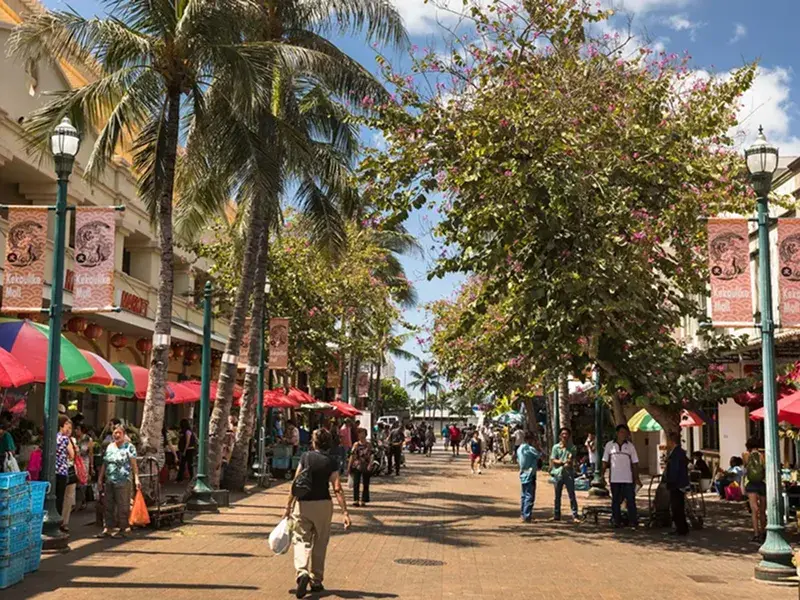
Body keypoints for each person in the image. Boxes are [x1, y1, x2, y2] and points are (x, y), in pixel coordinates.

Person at [284, 428, 350, 598]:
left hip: (303, 504)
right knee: (320, 542)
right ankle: (316, 580)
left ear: (314, 442)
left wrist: (288, 506)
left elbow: (296, 482)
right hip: (323, 504)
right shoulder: (331, 461)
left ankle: (302, 572)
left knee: (301, 539)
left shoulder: (306, 457)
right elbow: (337, 488)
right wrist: (345, 512)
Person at [97, 425, 140, 538]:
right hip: (110, 479)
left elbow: (134, 464)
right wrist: (100, 478)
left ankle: (124, 528)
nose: (117, 435)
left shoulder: (129, 447)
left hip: (124, 480)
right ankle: (108, 528)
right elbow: (105, 463)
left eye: (119, 433)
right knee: (108, 505)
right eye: (115, 433)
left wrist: (136, 478)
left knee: (123, 505)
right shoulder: (110, 447)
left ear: (124, 434)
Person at [601, 424, 642, 529]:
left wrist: (636, 478)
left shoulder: (630, 446)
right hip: (615, 478)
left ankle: (633, 521)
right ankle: (616, 521)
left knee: (630, 500)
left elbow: (635, 463)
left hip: (628, 479)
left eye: (625, 433)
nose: (623, 434)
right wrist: (602, 475)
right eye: (621, 432)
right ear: (617, 433)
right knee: (615, 501)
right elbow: (605, 461)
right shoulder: (609, 445)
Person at [550, 427, 579, 522]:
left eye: (566, 434)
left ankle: (575, 515)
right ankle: (557, 515)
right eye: (563, 434)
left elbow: (571, 459)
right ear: (560, 436)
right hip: (558, 473)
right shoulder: (555, 447)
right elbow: (553, 459)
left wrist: (568, 461)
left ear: (569, 436)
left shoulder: (572, 448)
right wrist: (562, 462)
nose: (564, 436)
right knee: (557, 496)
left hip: (569, 474)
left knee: (571, 494)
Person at [664, 432, 690, 536]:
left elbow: (675, 469)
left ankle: (681, 528)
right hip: (680, 483)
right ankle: (682, 527)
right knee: (679, 506)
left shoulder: (676, 453)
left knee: (676, 507)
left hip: (676, 484)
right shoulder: (680, 452)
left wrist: (670, 481)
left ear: (671, 441)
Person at [743, 438, 767, 542]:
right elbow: (765, 468)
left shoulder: (745, 455)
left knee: (754, 510)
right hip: (762, 483)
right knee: (762, 510)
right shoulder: (762, 455)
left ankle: (756, 533)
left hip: (751, 484)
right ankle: (763, 532)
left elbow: (745, 468)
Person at [55, 415, 75, 524]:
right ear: (62, 426)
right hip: (62, 470)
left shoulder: (52, 437)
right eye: (67, 425)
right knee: (60, 497)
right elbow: (72, 455)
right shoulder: (65, 439)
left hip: (52, 471)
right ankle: (58, 521)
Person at [518, 431, 541, 523]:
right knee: (529, 495)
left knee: (524, 495)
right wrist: (538, 447)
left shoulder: (520, 448)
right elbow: (540, 456)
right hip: (530, 474)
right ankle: (527, 515)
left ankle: (523, 514)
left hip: (523, 473)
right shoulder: (530, 449)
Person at [347, 428, 372, 507]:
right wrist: (349, 466)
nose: (361, 435)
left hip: (366, 465)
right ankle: (356, 500)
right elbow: (352, 455)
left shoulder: (369, 445)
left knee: (366, 483)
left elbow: (371, 455)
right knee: (356, 483)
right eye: (360, 433)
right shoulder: (356, 444)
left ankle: (364, 500)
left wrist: (370, 464)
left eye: (363, 433)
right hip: (357, 465)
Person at [74, 423, 94, 511]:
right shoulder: (75, 439)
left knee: (83, 481)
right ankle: (75, 501)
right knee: (76, 480)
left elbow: (90, 453)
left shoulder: (88, 439)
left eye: (77, 429)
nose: (76, 431)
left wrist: (91, 466)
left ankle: (83, 500)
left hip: (84, 461)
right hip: (76, 461)